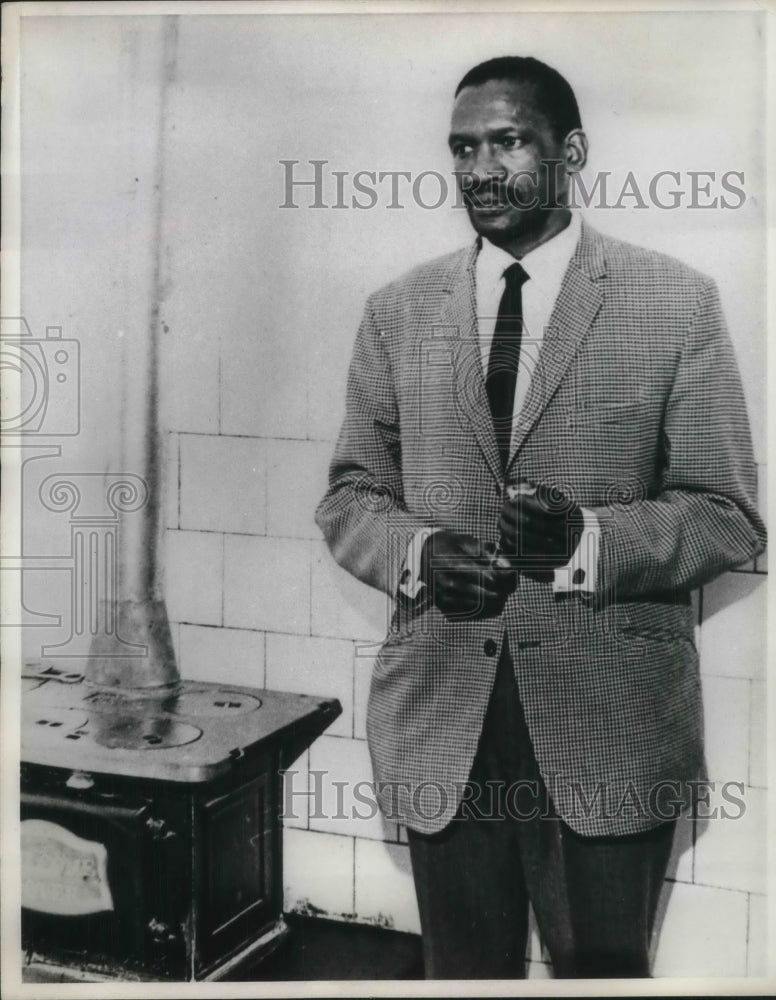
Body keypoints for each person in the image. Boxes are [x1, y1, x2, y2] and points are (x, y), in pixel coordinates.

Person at [315, 56, 766, 979]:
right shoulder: (397, 311)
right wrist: (417, 552)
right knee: (463, 976)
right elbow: (352, 494)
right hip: (445, 721)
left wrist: (591, 541)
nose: (481, 169)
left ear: (572, 152)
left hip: (611, 728)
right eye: (463, 148)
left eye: (509, 141)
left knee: (601, 977)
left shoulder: (674, 303)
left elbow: (729, 518)